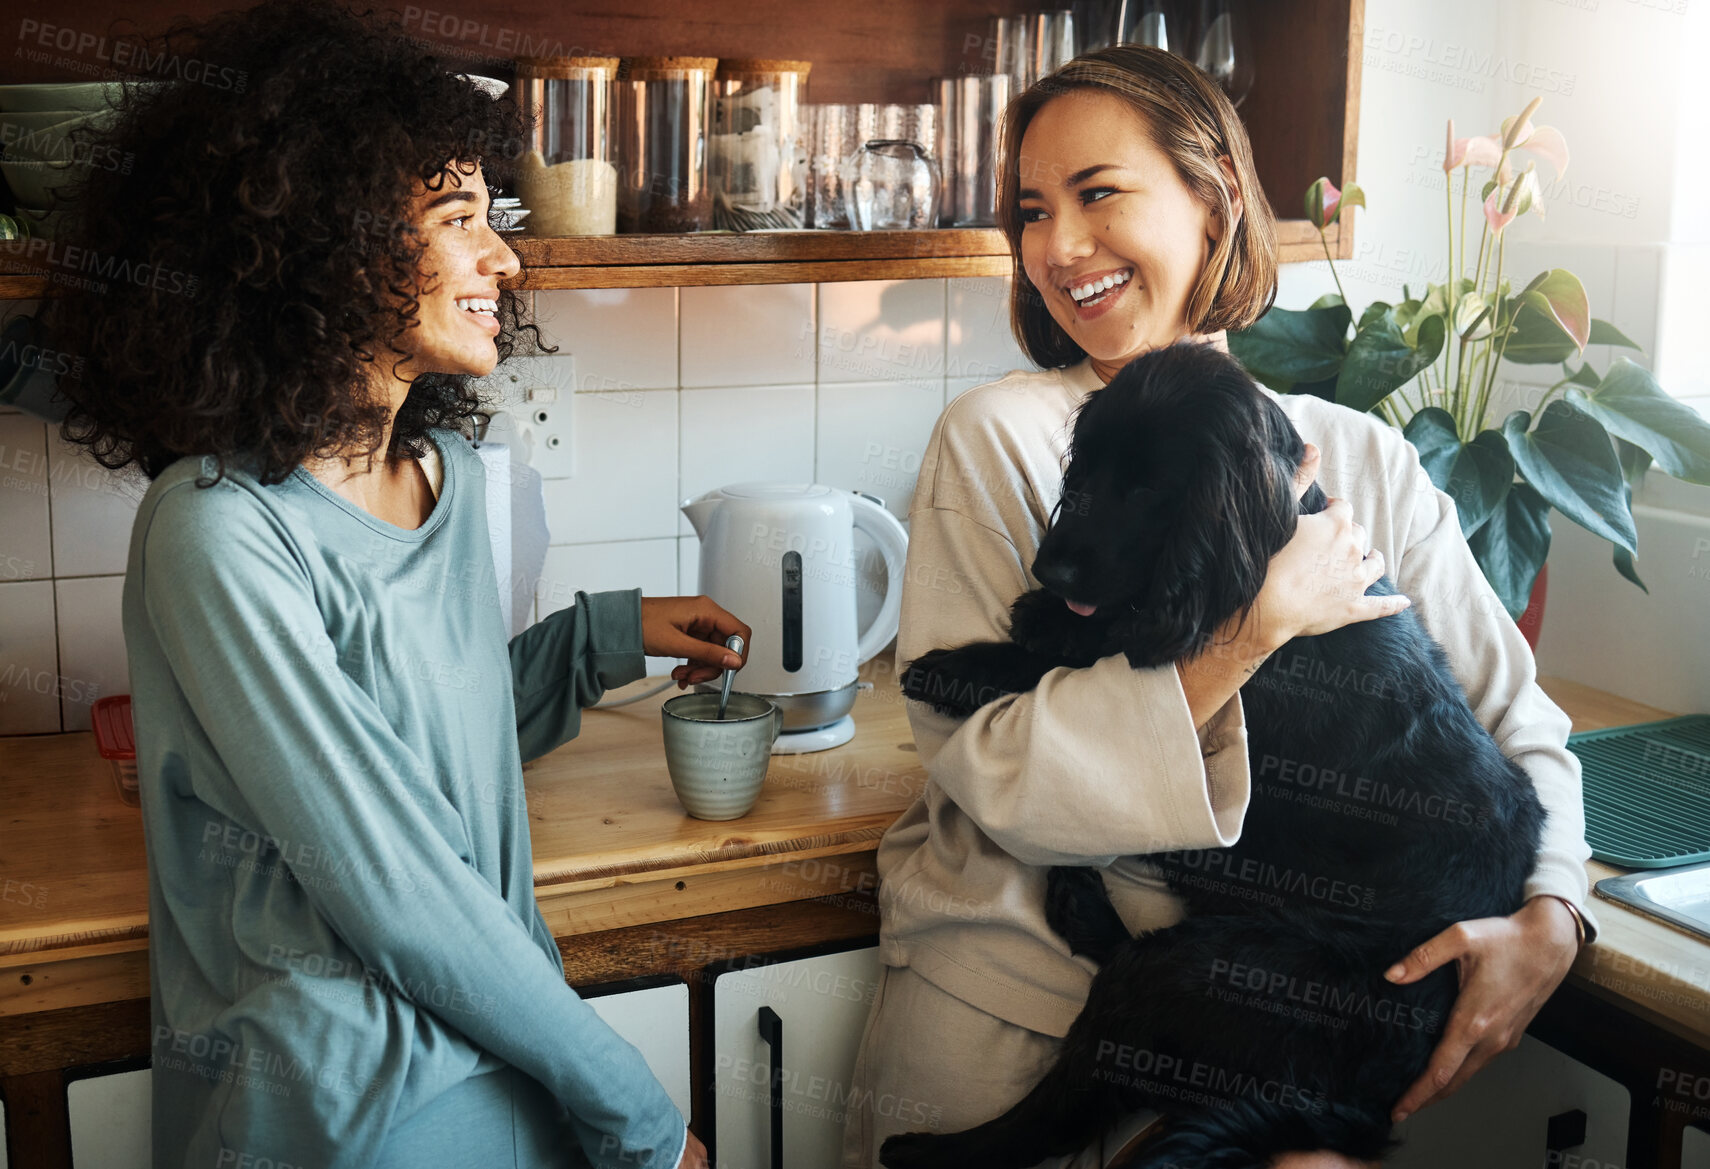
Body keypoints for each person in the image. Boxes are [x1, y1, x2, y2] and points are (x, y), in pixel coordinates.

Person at [842, 46, 1592, 1169]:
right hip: (1013, 1029)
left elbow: (1519, 725)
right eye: (1032, 211)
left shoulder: (1364, 459)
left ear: (1216, 198)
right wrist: (1256, 630)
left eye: (1099, 194)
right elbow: (997, 774)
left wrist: (1555, 916)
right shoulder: (998, 437)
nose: (1056, 247)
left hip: (1277, 1044)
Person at [47, 3, 735, 1166]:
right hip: (346, 1107)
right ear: (326, 236)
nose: (505, 259)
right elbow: (392, 879)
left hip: (509, 1054)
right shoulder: (216, 531)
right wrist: (642, 1115)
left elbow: (426, 759)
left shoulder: (448, 478)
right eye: (460, 217)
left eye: (494, 217)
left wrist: (603, 637)